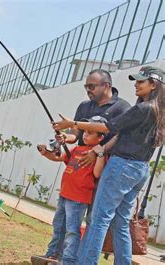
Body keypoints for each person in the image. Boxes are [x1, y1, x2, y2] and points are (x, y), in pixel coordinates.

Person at [53, 66, 164, 264]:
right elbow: (120, 133)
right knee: (120, 222)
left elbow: (107, 127)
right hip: (140, 169)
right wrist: (98, 148)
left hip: (122, 167)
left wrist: (74, 123)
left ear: (153, 85)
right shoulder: (157, 111)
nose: (135, 84)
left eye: (141, 81)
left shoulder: (142, 109)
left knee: (98, 220)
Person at [35, 117, 107, 265]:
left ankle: (68, 260)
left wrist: (100, 153)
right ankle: (52, 254)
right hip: (65, 194)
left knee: (72, 231)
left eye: (90, 133)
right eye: (85, 131)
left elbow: (97, 174)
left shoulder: (98, 155)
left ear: (101, 137)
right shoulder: (76, 149)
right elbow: (58, 158)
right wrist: (45, 152)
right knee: (58, 226)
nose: (85, 135)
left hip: (78, 198)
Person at [56, 69, 130, 166]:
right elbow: (75, 135)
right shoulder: (84, 106)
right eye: (86, 87)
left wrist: (97, 153)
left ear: (106, 86)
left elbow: (122, 139)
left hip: (105, 165)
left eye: (91, 86)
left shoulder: (122, 108)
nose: (88, 90)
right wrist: (66, 137)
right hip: (81, 164)